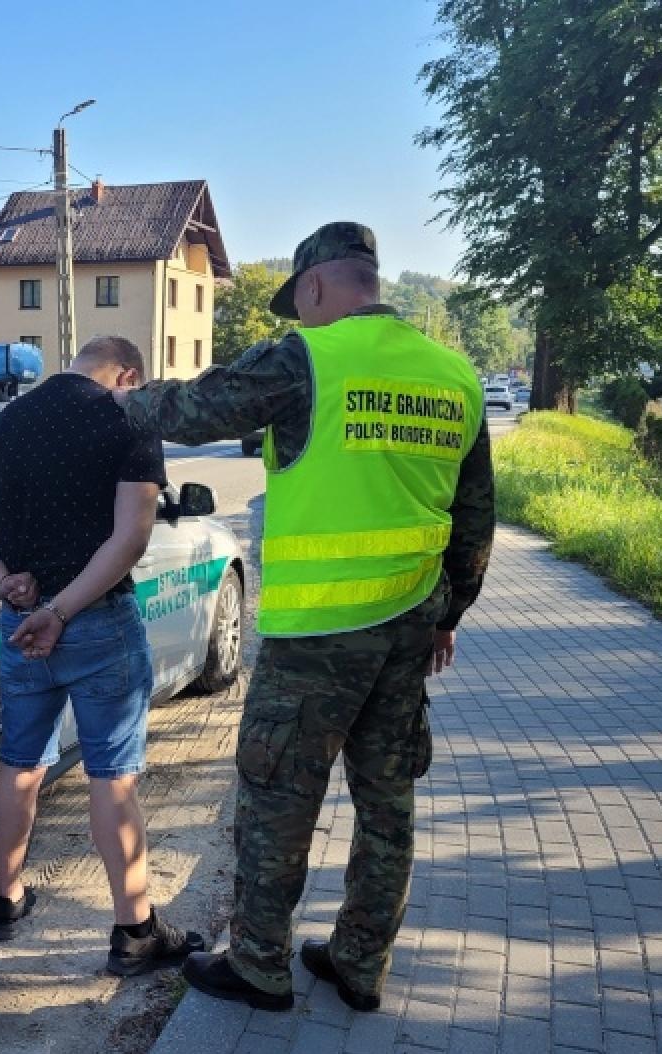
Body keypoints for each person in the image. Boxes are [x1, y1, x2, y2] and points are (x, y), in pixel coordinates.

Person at [114, 223, 495, 1012]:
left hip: (317, 635)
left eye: (300, 301)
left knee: (279, 796)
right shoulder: (455, 375)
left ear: (316, 287)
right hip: (409, 628)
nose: (300, 313)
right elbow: (476, 519)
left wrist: (109, 397)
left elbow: (188, 410)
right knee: (388, 803)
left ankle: (259, 962)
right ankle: (360, 961)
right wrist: (447, 612)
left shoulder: (307, 357)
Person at [0, 335, 205, 975]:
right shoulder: (129, 418)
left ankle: (6, 899)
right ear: (128, 373)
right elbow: (129, 539)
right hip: (94, 626)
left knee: (19, 764)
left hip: (20, 627)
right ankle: (135, 931)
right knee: (110, 776)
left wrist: (7, 578)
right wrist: (60, 610)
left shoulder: (1, 426)